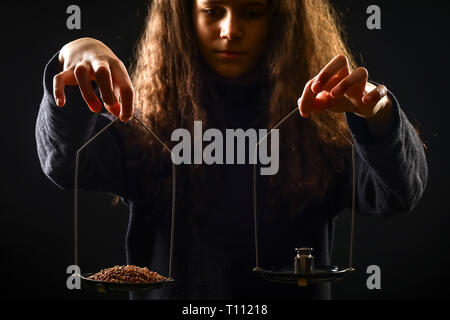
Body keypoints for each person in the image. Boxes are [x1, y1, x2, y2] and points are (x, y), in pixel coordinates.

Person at [36, 0, 428, 300]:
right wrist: (74, 55)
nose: (230, 29)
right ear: (182, 17)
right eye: (212, 10)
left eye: (252, 12)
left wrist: (378, 116)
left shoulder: (321, 116)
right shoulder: (147, 121)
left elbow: (398, 193)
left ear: (281, 19)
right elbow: (63, 162)